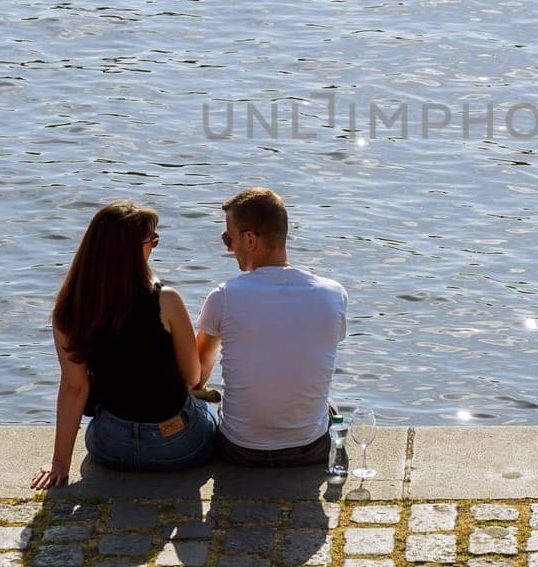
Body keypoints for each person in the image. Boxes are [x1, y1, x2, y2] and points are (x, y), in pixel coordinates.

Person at [31, 201, 217, 488]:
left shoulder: (69, 310)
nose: (154, 247)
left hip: (110, 445)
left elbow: (74, 388)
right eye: (152, 240)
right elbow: (193, 378)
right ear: (132, 250)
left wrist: (59, 463)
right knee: (209, 410)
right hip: (178, 447)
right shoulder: (166, 300)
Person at [194, 187, 348, 466]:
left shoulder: (224, 297)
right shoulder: (333, 294)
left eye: (229, 239)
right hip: (309, 447)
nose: (229, 249)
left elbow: (197, 376)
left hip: (240, 450)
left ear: (250, 239)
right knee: (329, 404)